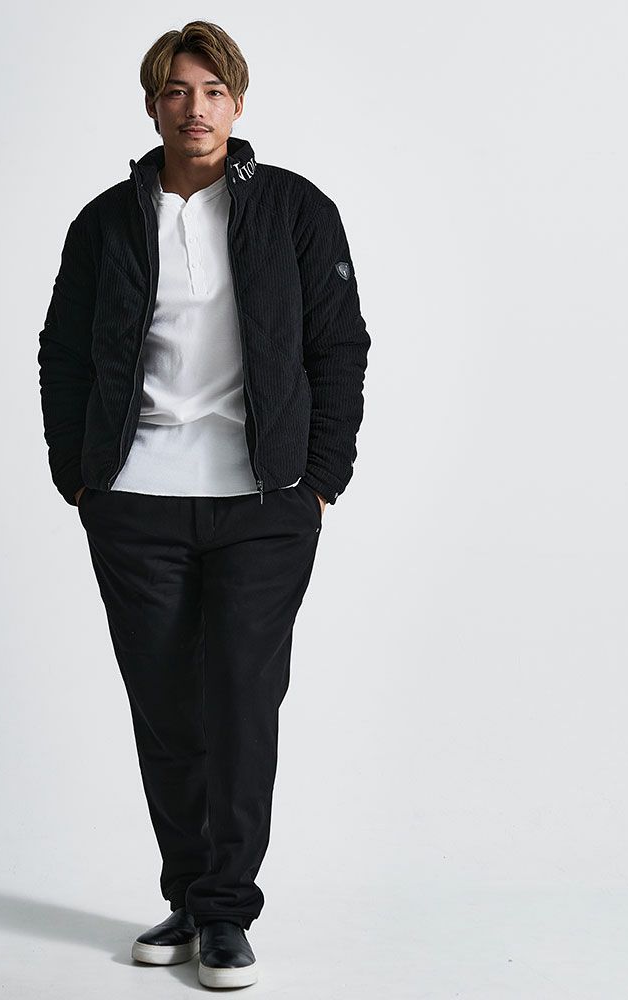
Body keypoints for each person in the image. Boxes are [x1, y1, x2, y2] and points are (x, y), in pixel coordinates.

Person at [37, 20, 371, 990]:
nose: (197, 108)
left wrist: (320, 478)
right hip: (136, 501)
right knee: (165, 709)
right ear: (152, 105)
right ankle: (188, 894)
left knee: (240, 704)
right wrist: (80, 476)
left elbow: (338, 345)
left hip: (262, 503)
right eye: (178, 92)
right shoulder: (107, 221)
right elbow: (62, 350)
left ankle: (226, 912)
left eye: (214, 91)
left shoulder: (295, 210)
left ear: (238, 103)